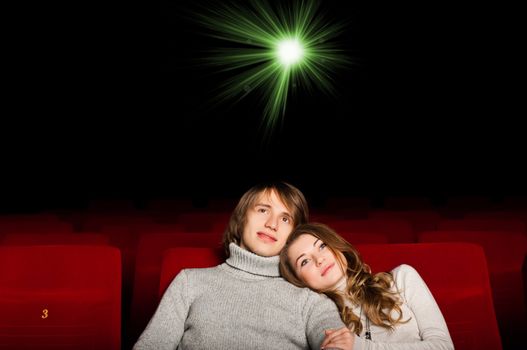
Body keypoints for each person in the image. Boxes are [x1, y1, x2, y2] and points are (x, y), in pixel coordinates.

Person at [133, 182, 352, 350]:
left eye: (285, 219)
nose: (272, 224)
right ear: (241, 218)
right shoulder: (189, 282)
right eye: (263, 210)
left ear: (294, 234)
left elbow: (332, 336)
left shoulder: (309, 297)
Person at [279, 223, 455, 350]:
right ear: (298, 280)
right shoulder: (317, 322)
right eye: (304, 261)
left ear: (337, 246)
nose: (319, 259)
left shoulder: (401, 277)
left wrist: (362, 347)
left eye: (322, 246)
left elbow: (443, 347)